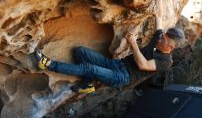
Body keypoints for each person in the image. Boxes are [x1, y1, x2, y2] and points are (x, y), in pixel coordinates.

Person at [34, 19, 184, 94]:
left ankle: (48, 64)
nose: (159, 39)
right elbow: (159, 20)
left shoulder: (166, 61)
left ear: (170, 47)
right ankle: (87, 85)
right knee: (80, 51)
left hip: (122, 76)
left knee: (89, 68)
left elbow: (143, 65)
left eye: (163, 40)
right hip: (117, 64)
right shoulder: (159, 39)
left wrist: (133, 43)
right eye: (162, 36)